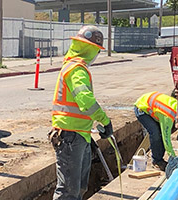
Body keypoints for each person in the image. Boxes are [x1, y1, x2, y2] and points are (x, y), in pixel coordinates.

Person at [49, 25, 113, 199]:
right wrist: (105, 121)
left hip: (79, 135)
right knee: (68, 192)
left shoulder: (75, 67)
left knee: (78, 189)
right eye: (97, 51)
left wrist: (86, 134)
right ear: (90, 49)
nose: (96, 55)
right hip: (70, 137)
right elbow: (85, 101)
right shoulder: (76, 69)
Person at [134, 91, 178, 171]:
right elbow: (166, 138)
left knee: (159, 132)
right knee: (155, 133)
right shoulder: (168, 115)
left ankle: (159, 157)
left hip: (152, 104)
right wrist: (173, 158)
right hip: (142, 108)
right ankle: (157, 161)